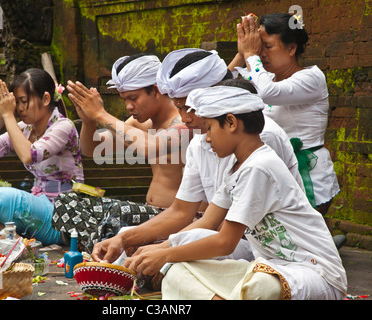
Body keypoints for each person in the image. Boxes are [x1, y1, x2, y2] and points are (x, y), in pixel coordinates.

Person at [124, 86, 347, 300]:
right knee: (176, 273)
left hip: (315, 274)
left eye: (210, 128)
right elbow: (208, 222)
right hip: (268, 267)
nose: (207, 138)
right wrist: (157, 250)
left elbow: (225, 242)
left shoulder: (260, 166)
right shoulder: (236, 168)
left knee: (261, 287)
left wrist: (164, 255)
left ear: (230, 122)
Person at [91, 48, 303, 266]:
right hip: (222, 238)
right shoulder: (200, 141)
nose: (184, 118)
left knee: (177, 256)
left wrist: (164, 251)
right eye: (179, 108)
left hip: (274, 250)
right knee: (130, 243)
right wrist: (125, 239)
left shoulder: (261, 136)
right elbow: (182, 213)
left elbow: (224, 235)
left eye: (190, 108)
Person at [55, 53, 192, 252]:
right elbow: (92, 149)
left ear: (155, 90)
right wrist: (88, 120)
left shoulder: (184, 122)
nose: (128, 107)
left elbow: (151, 146)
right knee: (66, 202)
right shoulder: (139, 123)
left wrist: (101, 114)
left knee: (114, 218)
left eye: (133, 98)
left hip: (179, 219)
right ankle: (108, 247)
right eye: (125, 99)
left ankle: (112, 248)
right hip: (148, 212)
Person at [231, 13, 344, 247]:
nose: (262, 53)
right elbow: (224, 89)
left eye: (268, 46)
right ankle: (327, 243)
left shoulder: (311, 78)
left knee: (296, 238)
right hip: (273, 170)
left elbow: (267, 93)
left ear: (291, 48)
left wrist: (251, 56)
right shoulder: (265, 76)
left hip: (309, 174)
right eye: (259, 46)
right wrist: (242, 53)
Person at [0, 68, 84, 245]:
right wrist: (0, 118)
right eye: (17, 102)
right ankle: (11, 242)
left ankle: (12, 243)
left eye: (24, 101)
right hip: (37, 209)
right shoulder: (25, 128)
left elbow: (29, 155)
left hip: (61, 217)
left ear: (45, 99)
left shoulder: (63, 127)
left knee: (6, 198)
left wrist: (9, 116)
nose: (20, 109)